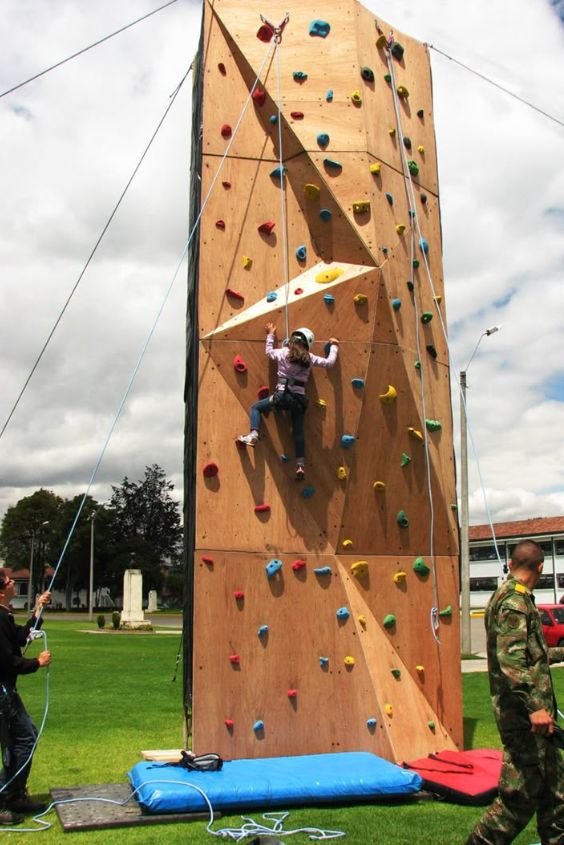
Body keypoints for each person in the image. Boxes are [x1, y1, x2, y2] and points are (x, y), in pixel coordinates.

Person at [466, 540, 564, 845]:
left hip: (536, 720)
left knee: (557, 794)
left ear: (510, 564)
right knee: (519, 799)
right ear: (541, 568)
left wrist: (559, 652)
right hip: (525, 719)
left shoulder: (515, 598)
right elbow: (512, 662)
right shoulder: (514, 602)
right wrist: (535, 707)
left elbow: (530, 656)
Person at [237, 323, 339, 479]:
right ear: (308, 344)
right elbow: (329, 363)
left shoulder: (283, 352)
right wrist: (334, 346)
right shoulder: (309, 358)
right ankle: (300, 465)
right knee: (298, 432)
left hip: (281, 397)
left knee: (256, 408)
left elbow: (269, 352)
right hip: (298, 401)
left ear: (292, 340)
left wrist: (271, 334)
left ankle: (253, 434)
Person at [0, 569, 51, 824]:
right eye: (9, 582)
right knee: (18, 741)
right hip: (2, 693)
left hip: (7, 691)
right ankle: (8, 797)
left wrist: (38, 610)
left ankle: (14, 794)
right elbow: (7, 661)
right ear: (2, 589)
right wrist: (36, 663)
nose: (12, 583)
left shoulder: (4, 615)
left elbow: (21, 637)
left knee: (24, 736)